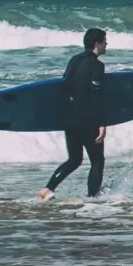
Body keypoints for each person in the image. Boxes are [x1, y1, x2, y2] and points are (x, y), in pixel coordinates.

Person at [40, 28, 111, 200]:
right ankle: (93, 198)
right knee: (97, 161)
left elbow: (63, 86)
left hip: (69, 118)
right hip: (88, 119)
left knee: (74, 160)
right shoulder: (97, 65)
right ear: (97, 43)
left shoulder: (74, 60)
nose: (106, 44)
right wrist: (102, 123)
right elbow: (96, 95)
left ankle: (48, 189)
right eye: (105, 41)